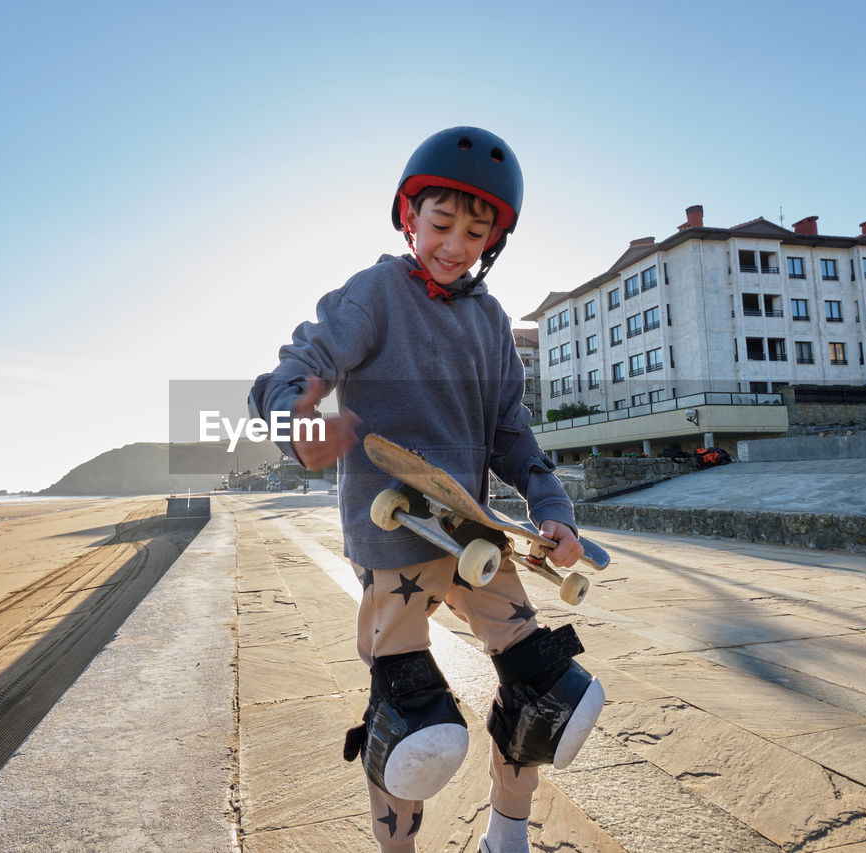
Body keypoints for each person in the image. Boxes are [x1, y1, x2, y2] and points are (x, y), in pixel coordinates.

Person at [248, 127, 604, 853]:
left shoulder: (493, 322)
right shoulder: (374, 295)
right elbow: (291, 369)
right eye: (442, 224)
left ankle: (506, 835)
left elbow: (513, 435)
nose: (455, 245)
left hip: (473, 535)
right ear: (410, 217)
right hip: (393, 541)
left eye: (477, 233)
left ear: (494, 241)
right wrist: (297, 418)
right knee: (413, 724)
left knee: (550, 696)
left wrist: (553, 513)